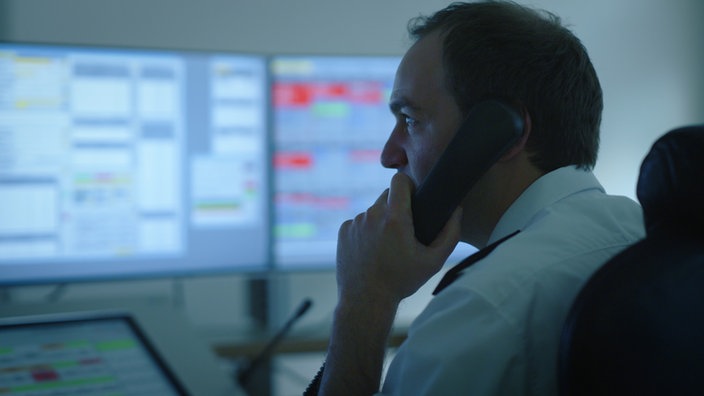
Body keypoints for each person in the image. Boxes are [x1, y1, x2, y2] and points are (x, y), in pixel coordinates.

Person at [310, 1, 645, 395]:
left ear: (502, 133)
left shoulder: (480, 313)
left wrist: (365, 300)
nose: (389, 155)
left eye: (411, 120)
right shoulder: (642, 233)